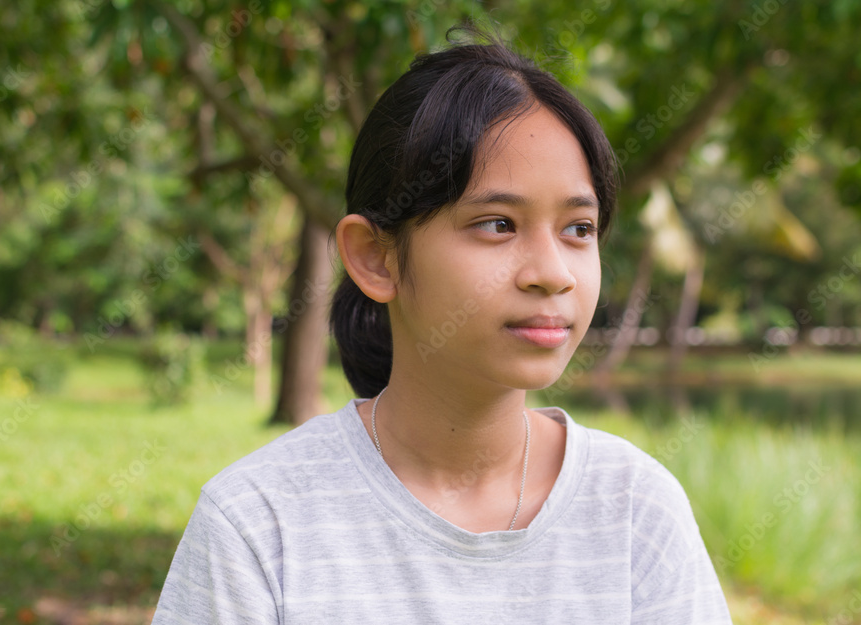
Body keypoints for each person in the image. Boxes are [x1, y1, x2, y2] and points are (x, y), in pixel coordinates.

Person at [151, 24, 733, 624]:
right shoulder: (257, 523)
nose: (553, 273)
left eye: (578, 229)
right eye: (498, 224)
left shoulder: (637, 510)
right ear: (376, 258)